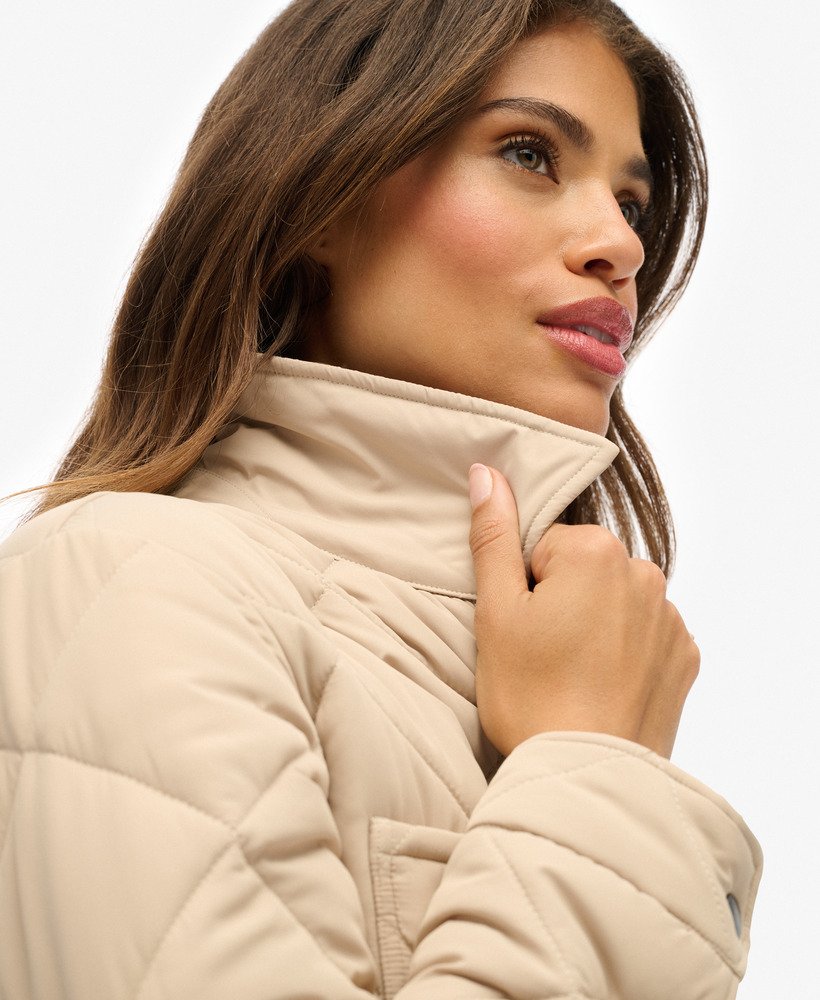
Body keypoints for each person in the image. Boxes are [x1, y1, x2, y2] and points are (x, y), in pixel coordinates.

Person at [0, 1, 763, 997]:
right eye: (529, 154)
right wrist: (597, 771)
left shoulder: (538, 666)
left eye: (632, 202)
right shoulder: (133, 579)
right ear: (321, 198)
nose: (618, 243)